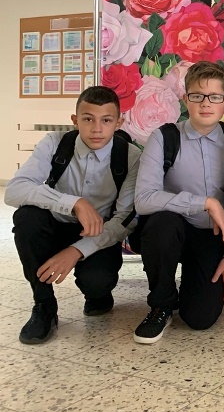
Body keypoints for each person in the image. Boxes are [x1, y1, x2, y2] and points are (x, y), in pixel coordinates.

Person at [5, 86, 140, 344]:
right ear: (75, 120)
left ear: (119, 123)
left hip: (98, 234)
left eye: (106, 120)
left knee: (97, 282)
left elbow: (124, 220)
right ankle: (44, 306)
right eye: (88, 119)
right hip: (55, 224)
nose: (97, 129)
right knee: (26, 218)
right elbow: (14, 191)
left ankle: (98, 295)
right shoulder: (55, 143)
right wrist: (74, 203)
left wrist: (76, 251)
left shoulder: (131, 157)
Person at [131, 61, 224, 344]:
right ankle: (161, 304)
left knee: (200, 318)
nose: (205, 103)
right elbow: (143, 199)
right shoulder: (164, 137)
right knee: (162, 223)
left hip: (212, 236)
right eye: (197, 95)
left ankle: (189, 290)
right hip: (173, 229)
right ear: (186, 99)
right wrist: (205, 203)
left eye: (215, 97)